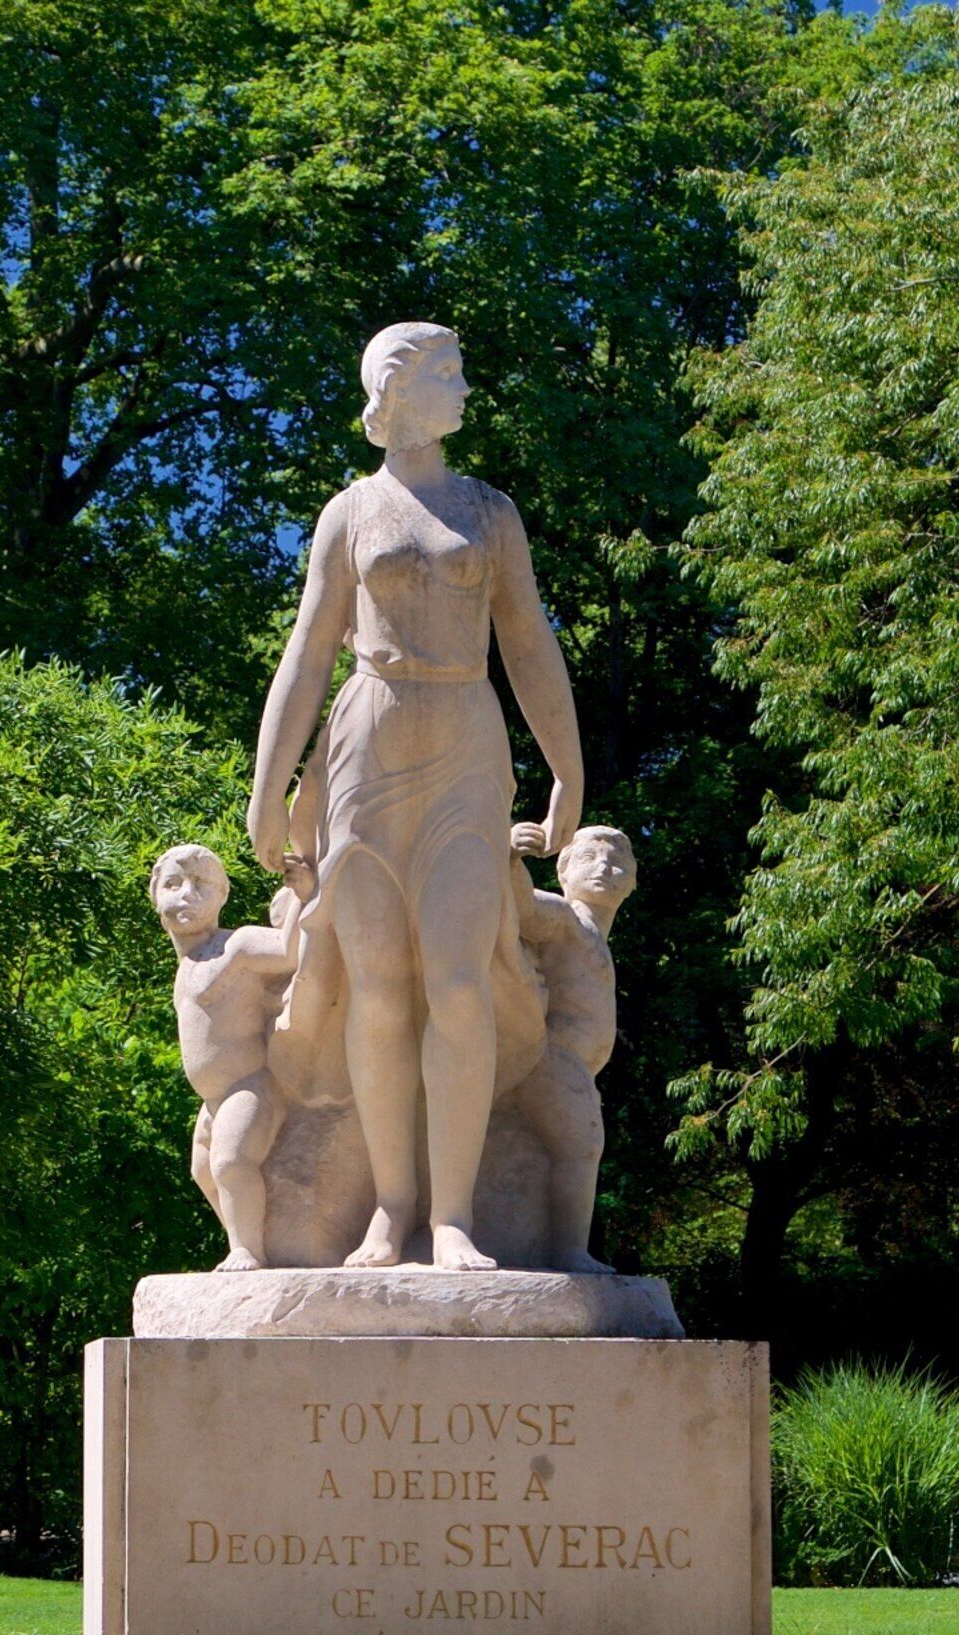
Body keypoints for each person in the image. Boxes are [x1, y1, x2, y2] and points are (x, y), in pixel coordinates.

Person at [244, 323, 582, 1270]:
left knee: (461, 983)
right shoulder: (350, 513)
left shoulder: (490, 511)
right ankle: (393, 1212)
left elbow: (528, 644)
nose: (466, 389)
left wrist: (568, 771)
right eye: (449, 374)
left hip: (466, 743)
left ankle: (454, 1219)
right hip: (366, 747)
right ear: (398, 387)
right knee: (381, 990)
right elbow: (308, 653)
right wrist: (269, 793)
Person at [152, 843, 308, 1269]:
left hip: (250, 1085)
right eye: (174, 884)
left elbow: (291, 952)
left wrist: (299, 895)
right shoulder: (186, 964)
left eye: (202, 885)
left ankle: (247, 1252)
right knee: (203, 1171)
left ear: (222, 896)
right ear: (155, 896)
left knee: (231, 1161)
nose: (187, 894)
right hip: (213, 1100)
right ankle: (260, 1243)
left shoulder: (236, 946)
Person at [502, 826, 638, 1273]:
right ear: (563, 870)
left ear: (633, 880)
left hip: (575, 1067)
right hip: (551, 1059)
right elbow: (522, 907)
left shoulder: (598, 937)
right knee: (580, 1146)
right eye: (590, 858)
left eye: (617, 861)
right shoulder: (564, 918)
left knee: (576, 1149)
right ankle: (568, 1252)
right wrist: (509, 859)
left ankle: (562, 1248)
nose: (604, 868)